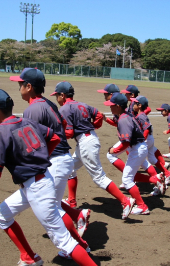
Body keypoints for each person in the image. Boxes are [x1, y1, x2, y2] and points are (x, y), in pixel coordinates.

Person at [0, 88, 96, 266]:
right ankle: (29, 257)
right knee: (1, 215)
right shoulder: (26, 121)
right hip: (38, 183)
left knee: (65, 242)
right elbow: (53, 138)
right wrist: (42, 156)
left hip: (37, 189)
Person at [9, 68, 91, 259]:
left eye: (20, 84)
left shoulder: (33, 109)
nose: (18, 87)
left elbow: (30, 144)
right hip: (61, 159)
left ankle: (78, 245)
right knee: (55, 207)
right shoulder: (47, 103)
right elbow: (62, 125)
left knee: (52, 210)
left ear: (29, 87)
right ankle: (78, 236)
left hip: (55, 160)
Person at [50, 81, 135, 220]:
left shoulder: (65, 109)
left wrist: (53, 136)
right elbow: (99, 116)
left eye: (57, 96)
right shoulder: (82, 104)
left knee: (98, 177)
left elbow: (70, 132)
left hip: (86, 143)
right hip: (88, 140)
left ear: (63, 95)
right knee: (70, 169)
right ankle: (72, 201)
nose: (56, 99)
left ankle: (125, 201)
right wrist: (92, 126)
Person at [105, 93, 166, 215]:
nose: (110, 107)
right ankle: (155, 179)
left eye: (112, 105)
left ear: (118, 106)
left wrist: (114, 151)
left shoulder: (124, 119)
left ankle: (142, 206)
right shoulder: (126, 115)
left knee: (127, 179)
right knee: (130, 176)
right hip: (139, 147)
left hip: (137, 149)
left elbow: (126, 142)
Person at [131, 96, 170, 187]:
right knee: (151, 159)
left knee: (137, 158)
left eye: (135, 103)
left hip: (146, 139)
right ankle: (167, 173)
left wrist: (142, 139)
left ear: (139, 105)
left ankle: (134, 178)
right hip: (149, 139)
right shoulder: (141, 115)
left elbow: (147, 128)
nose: (133, 105)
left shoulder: (141, 116)